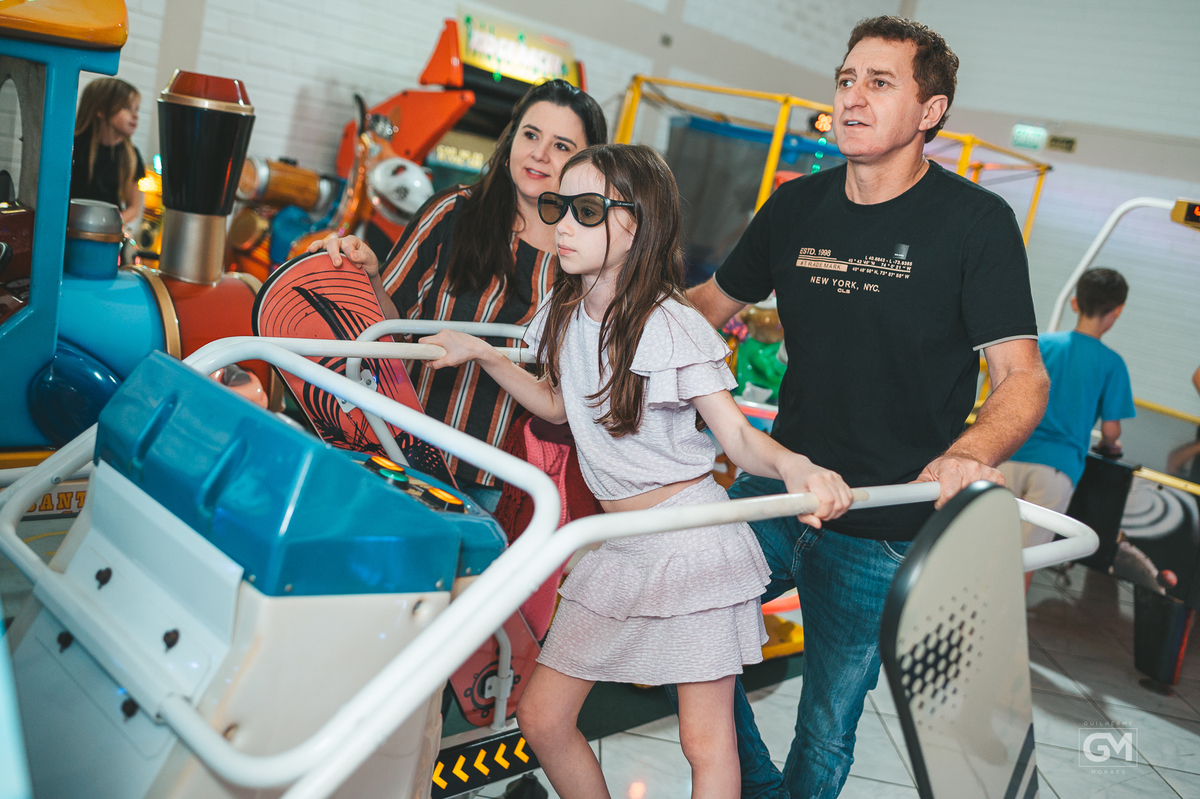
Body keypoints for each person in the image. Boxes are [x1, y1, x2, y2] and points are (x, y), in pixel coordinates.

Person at [420, 143, 854, 799]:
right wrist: (483, 353)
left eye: (588, 210)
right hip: (619, 544)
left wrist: (796, 466)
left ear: (637, 223)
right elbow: (560, 405)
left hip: (689, 539)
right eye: (559, 206)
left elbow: (737, 436)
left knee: (705, 743)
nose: (565, 224)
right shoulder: (565, 309)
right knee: (543, 716)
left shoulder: (670, 323)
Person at [686, 16, 1050, 799]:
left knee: (826, 725)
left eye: (880, 83)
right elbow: (706, 306)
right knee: (686, 616)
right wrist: (605, 316)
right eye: (847, 79)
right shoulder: (796, 207)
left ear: (930, 111)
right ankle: (756, 785)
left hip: (884, 519)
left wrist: (969, 452)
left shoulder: (975, 223)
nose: (852, 96)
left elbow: (1023, 377)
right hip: (782, 485)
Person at [312, 79, 607, 511]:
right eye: (530, 135)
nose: (540, 154)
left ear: (587, 163)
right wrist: (371, 276)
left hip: (504, 480)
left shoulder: (589, 257)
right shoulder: (452, 212)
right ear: (511, 138)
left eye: (561, 145)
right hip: (402, 450)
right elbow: (389, 324)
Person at [1000, 268, 1135, 565]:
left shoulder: (1041, 344)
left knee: (990, 547)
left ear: (1075, 303)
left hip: (1011, 456)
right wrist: (1109, 445)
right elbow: (1111, 432)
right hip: (1056, 471)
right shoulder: (1112, 364)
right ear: (1117, 311)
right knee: (1026, 561)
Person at [71, 77, 145, 226]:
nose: (135, 115)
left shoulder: (131, 155)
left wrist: (112, 225)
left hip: (108, 228)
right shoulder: (73, 147)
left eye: (136, 109)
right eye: (126, 107)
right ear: (101, 110)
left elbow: (134, 208)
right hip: (72, 223)